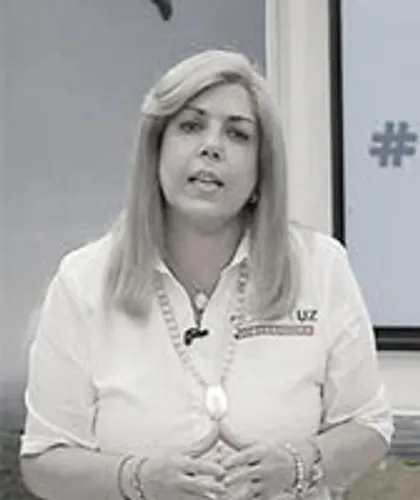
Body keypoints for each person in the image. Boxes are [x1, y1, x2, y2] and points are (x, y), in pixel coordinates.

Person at [20, 49, 394, 500]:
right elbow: (44, 461)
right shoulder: (83, 280)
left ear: (262, 168)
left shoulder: (320, 267)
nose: (211, 146)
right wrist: (138, 479)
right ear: (156, 150)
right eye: (191, 126)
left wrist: (298, 464)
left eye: (237, 134)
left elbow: (369, 426)